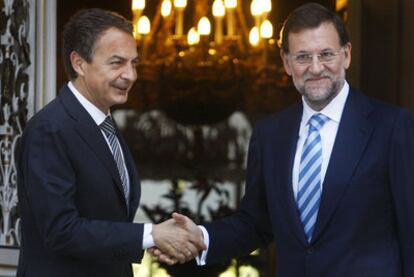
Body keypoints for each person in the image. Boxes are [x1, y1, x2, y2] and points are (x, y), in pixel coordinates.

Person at [153, 2, 414, 276]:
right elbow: (255, 223)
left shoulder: (393, 127)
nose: (315, 68)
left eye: (326, 54)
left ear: (346, 55)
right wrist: (202, 238)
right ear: (286, 62)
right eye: (302, 57)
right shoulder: (270, 134)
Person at [16, 8, 204, 277]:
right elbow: (60, 231)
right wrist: (150, 234)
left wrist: (151, 238)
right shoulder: (50, 129)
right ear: (79, 63)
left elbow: (107, 219)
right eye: (117, 63)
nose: (131, 75)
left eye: (134, 63)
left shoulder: (102, 124)